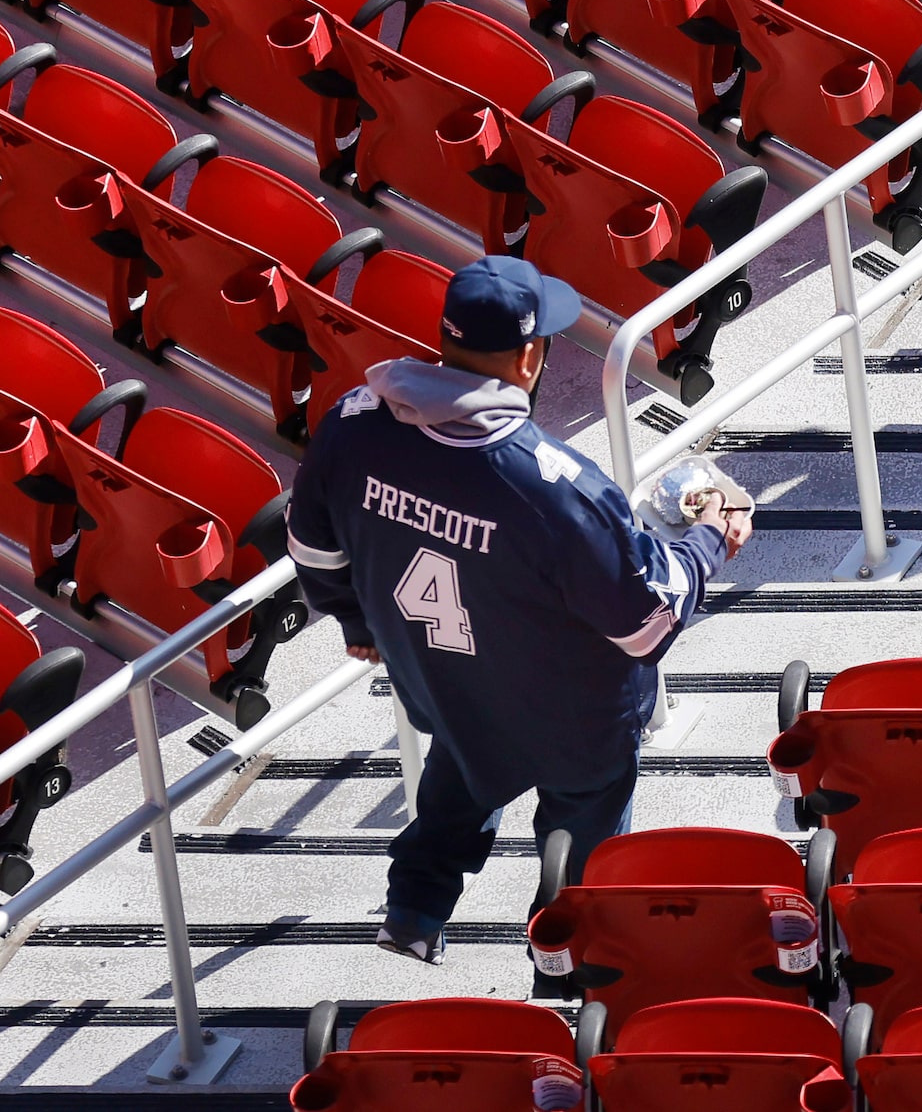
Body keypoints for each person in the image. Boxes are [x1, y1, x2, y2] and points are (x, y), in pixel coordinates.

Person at [285, 254, 753, 961]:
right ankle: (565, 959)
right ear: (530, 358)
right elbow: (647, 626)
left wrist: (355, 621)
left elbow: (312, 548)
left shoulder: (352, 425)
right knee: (580, 837)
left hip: (439, 675)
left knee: (467, 761)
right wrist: (711, 539)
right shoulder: (558, 490)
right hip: (574, 713)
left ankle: (414, 909)